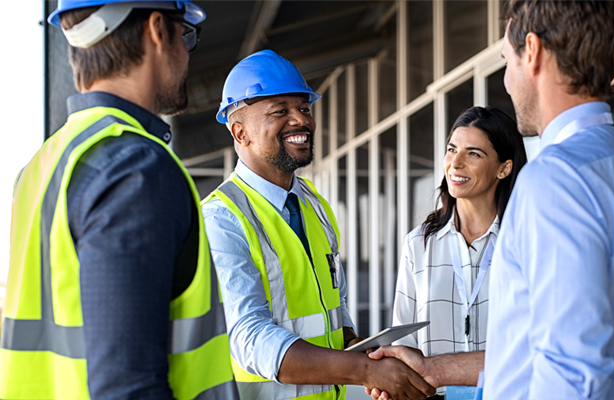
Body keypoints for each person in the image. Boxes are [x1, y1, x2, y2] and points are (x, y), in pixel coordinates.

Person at [0, 1, 238, 399]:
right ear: (158, 29)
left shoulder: (42, 165)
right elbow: (128, 389)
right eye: (186, 34)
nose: (185, 53)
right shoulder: (135, 169)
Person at [202, 49, 435, 400]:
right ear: (240, 133)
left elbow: (332, 310)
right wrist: (366, 371)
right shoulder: (222, 218)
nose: (301, 120)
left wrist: (365, 350)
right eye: (280, 111)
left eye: (304, 109)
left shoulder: (311, 202)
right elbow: (250, 338)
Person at [484, 0, 614, 399]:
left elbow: (571, 377)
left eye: (506, 60)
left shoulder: (553, 180)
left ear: (532, 51)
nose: (507, 81)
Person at [389, 106, 527, 399]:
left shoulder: (526, 241)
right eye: (452, 150)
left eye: (473, 154)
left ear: (504, 168)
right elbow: (404, 337)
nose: (455, 163)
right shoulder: (419, 244)